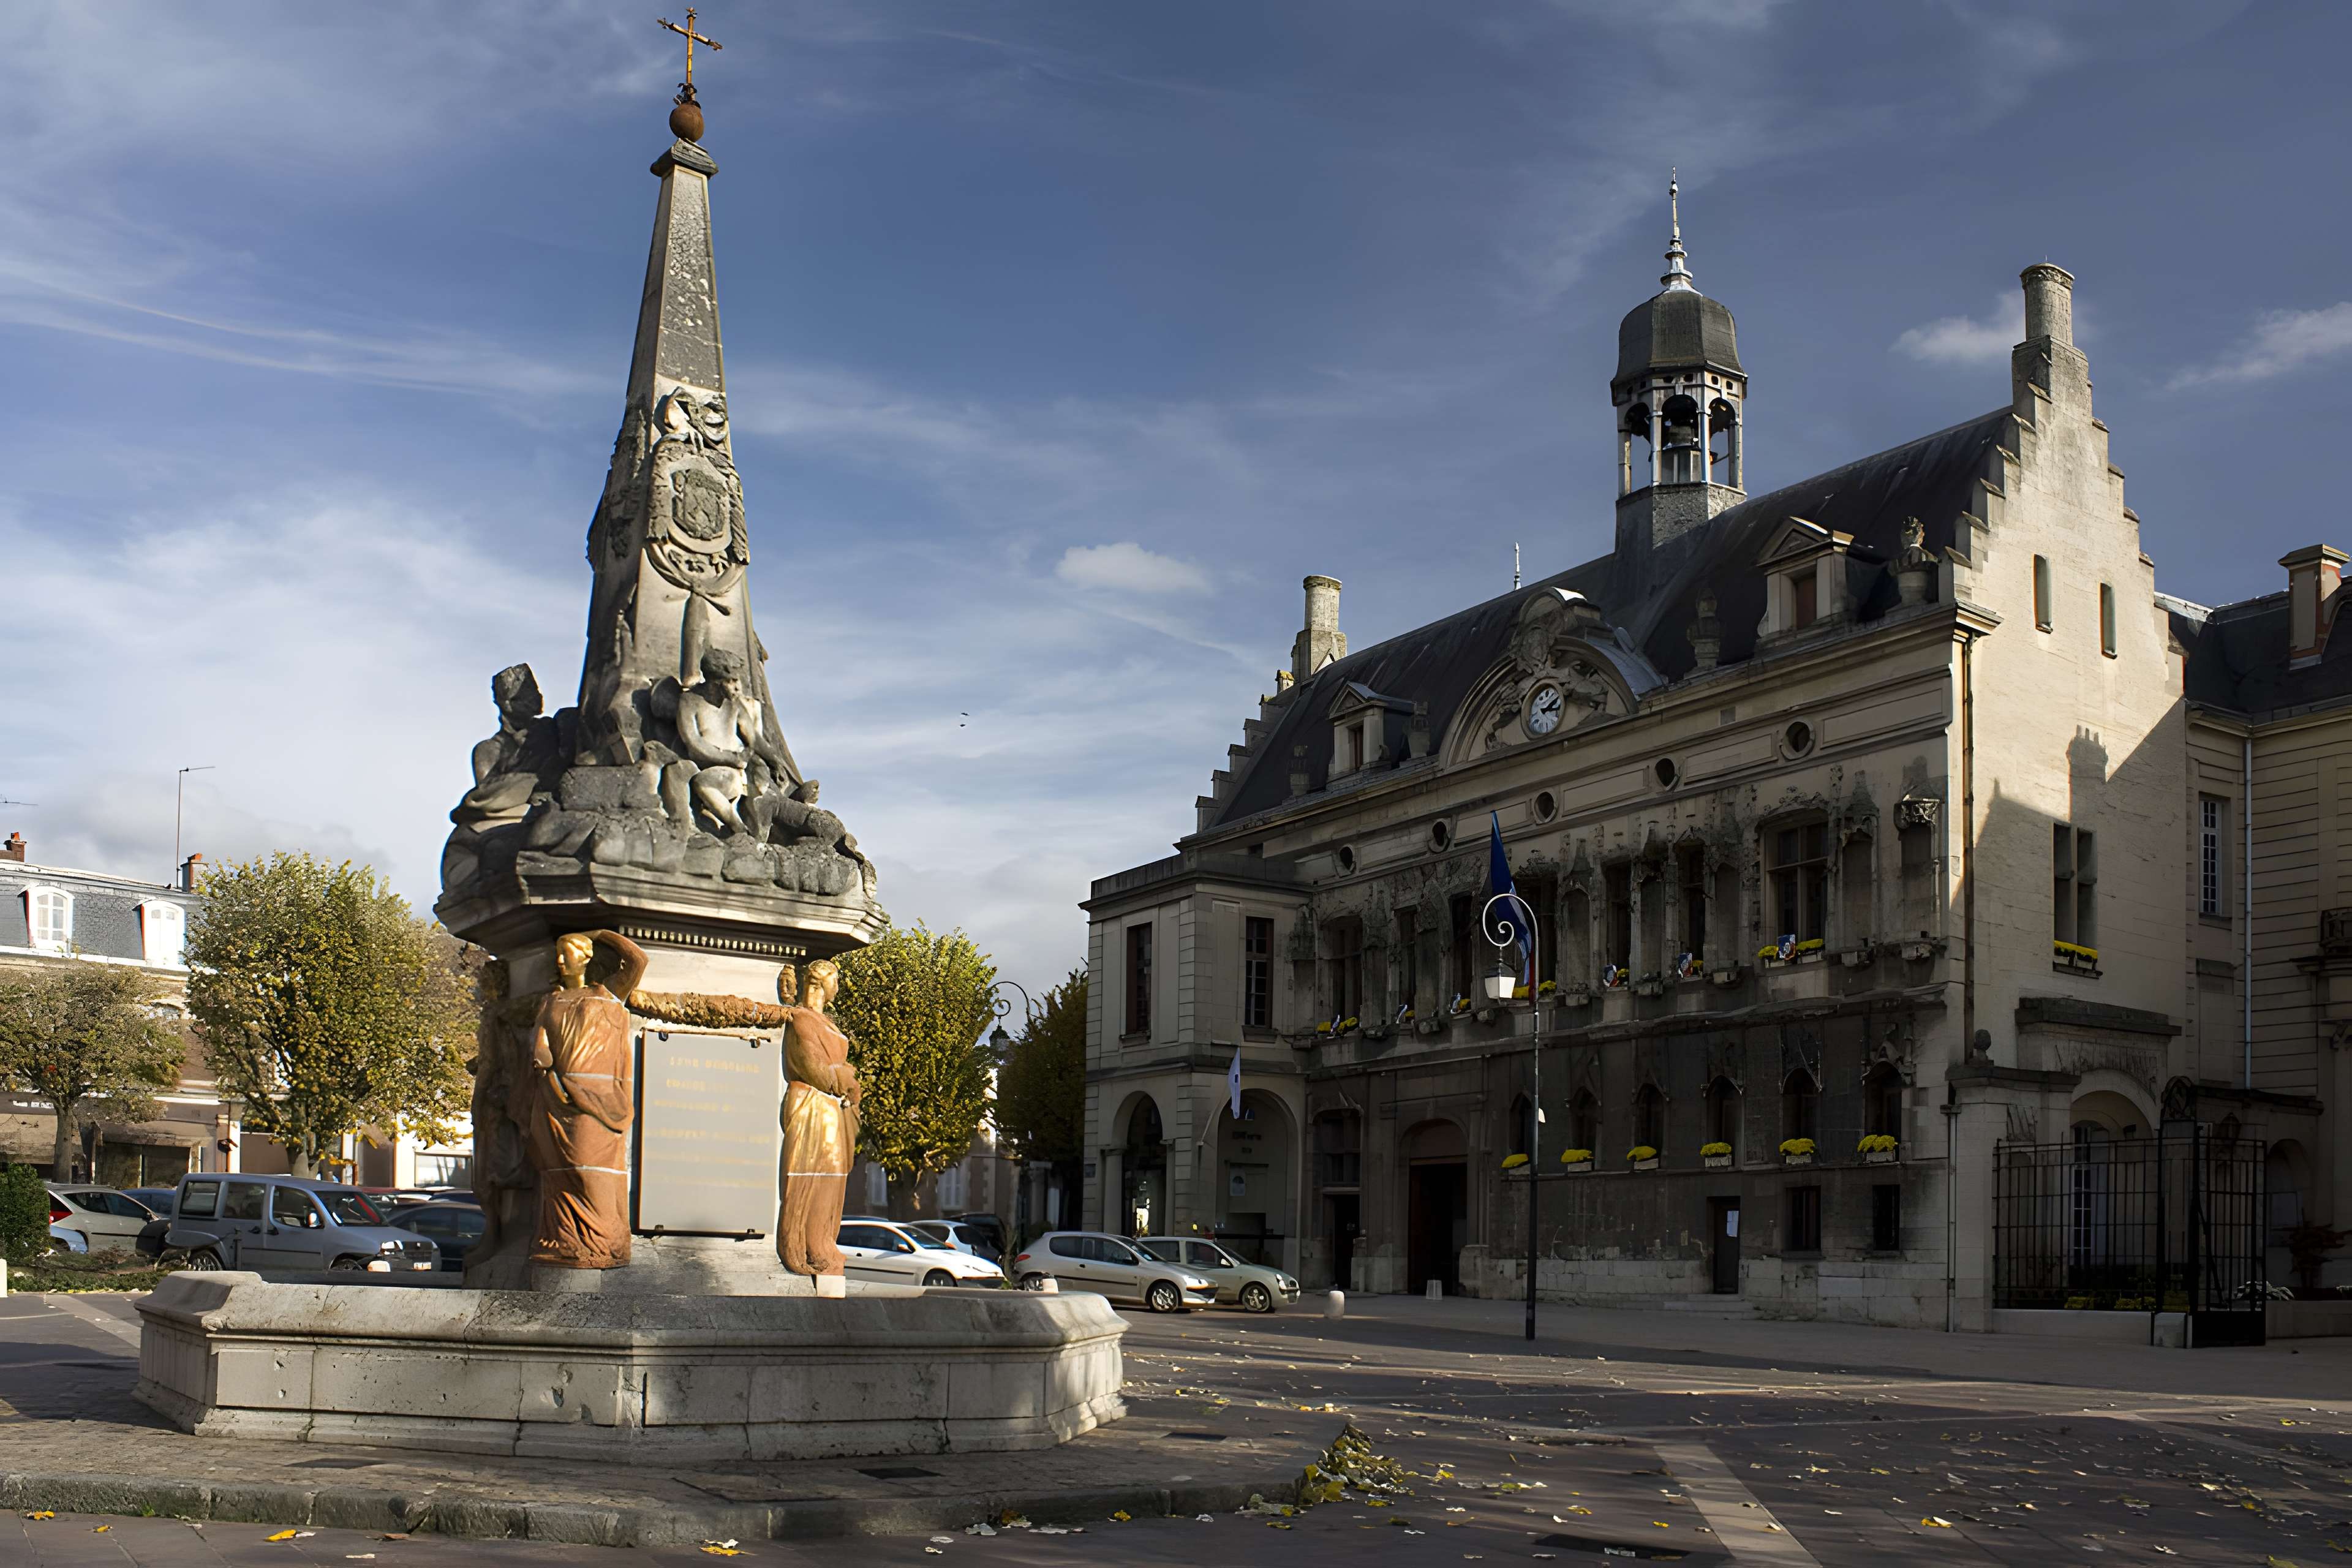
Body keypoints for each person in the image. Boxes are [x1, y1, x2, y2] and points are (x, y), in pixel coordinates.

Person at [516, 929, 648, 1269]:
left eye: (568, 953)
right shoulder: (550, 1002)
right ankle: (567, 1240)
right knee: (560, 1172)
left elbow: (638, 960)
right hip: (554, 1098)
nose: (560, 961)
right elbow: (541, 1044)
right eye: (557, 954)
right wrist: (544, 1064)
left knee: (589, 1170)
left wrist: (601, 934)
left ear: (586, 957)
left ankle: (605, 1241)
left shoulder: (608, 993)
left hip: (598, 1102)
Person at [777, 959, 860, 1293]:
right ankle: (809, 1245)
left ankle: (823, 1242)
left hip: (831, 1111)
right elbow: (816, 1070)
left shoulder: (824, 1022)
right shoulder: (802, 1020)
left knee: (833, 1178)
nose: (838, 987)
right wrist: (848, 1078)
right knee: (814, 1179)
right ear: (824, 984)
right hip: (813, 1108)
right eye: (837, 980)